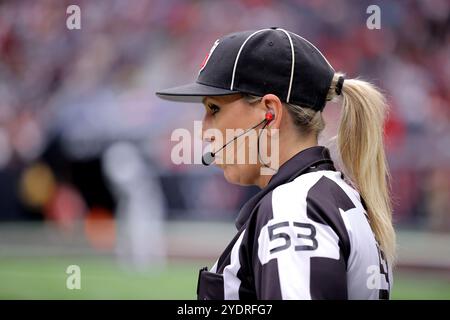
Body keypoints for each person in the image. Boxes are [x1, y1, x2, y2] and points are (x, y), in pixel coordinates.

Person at [156, 27, 395, 300]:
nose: (204, 130)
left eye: (214, 109)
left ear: (270, 113)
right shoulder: (328, 196)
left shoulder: (294, 207)